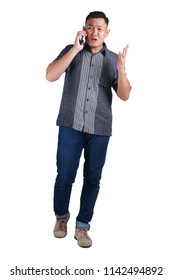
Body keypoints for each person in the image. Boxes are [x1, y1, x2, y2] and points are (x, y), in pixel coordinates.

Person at [46, 11, 132, 248]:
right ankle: (61, 218)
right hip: (70, 125)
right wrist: (74, 49)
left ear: (107, 32)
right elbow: (50, 75)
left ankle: (82, 226)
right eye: (91, 27)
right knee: (64, 176)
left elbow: (124, 95)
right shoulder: (70, 50)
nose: (95, 32)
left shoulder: (113, 59)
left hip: (100, 129)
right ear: (84, 28)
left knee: (92, 179)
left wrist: (122, 70)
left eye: (100, 28)